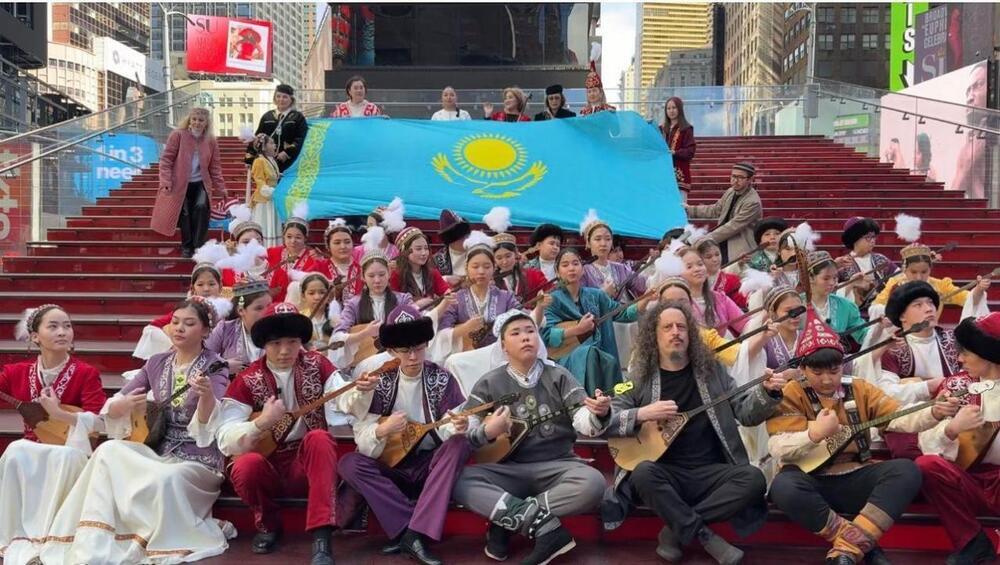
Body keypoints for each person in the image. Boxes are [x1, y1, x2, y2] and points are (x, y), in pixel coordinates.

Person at [40, 298, 232, 564]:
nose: (179, 328)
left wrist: (207, 396)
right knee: (108, 450)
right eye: (175, 322)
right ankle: (91, 536)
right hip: (158, 450)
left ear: (206, 331)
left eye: (189, 323)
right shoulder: (156, 362)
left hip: (199, 458)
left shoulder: (216, 366)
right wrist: (122, 405)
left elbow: (213, 421)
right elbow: (116, 403)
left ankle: (150, 537)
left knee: (167, 479)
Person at [766, 307, 959, 565]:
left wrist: (933, 412)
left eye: (833, 371)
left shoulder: (858, 388)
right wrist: (814, 434)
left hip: (856, 474)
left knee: (906, 471)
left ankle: (846, 550)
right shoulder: (790, 393)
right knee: (783, 486)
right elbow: (779, 448)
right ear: (802, 368)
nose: (826, 380)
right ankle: (862, 547)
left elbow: (899, 417)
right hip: (810, 478)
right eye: (817, 372)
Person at [602, 301, 785, 564]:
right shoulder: (635, 376)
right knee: (641, 472)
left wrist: (767, 392)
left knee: (753, 478)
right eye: (667, 327)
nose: (676, 332)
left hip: (711, 473)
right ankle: (705, 536)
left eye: (682, 327)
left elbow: (746, 413)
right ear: (654, 335)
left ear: (690, 334)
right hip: (665, 474)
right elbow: (611, 416)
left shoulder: (714, 372)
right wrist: (643, 413)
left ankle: (676, 531)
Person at [451, 312, 611, 565]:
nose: (525, 337)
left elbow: (582, 420)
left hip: (559, 466)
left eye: (530, 331)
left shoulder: (558, 375)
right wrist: (486, 431)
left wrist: (598, 412)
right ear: (503, 346)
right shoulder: (489, 382)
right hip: (508, 471)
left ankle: (507, 519)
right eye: (516, 334)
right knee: (457, 479)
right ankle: (538, 523)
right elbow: (469, 430)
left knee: (593, 483)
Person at [338, 304, 471, 565]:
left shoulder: (442, 378)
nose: (413, 356)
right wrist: (381, 430)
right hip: (391, 466)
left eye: (419, 348)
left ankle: (414, 532)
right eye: (404, 350)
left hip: (429, 467)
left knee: (459, 444)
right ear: (390, 351)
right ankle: (410, 528)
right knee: (348, 463)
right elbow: (361, 430)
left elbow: (451, 421)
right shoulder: (380, 380)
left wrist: (458, 425)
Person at [213, 302, 345, 565]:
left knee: (320, 438)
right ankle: (269, 525)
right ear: (264, 344)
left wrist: (360, 390)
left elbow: (344, 394)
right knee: (245, 463)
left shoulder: (318, 364)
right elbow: (225, 436)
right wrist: (260, 423)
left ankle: (322, 535)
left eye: (292, 342)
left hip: (305, 464)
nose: (285, 351)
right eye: (275, 344)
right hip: (267, 466)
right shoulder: (248, 379)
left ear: (301, 342)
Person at [0, 305, 105, 565]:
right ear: (35, 336)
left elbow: (99, 422)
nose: (62, 332)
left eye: (67, 326)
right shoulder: (17, 372)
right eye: (53, 326)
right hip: (32, 446)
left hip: (72, 448)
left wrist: (59, 414)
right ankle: (20, 536)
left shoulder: (85, 373)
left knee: (66, 457)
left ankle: (55, 536)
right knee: (16, 449)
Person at [915, 312, 1000, 565]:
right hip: (972, 479)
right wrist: (951, 429)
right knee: (927, 466)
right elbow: (925, 443)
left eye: (966, 353)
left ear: (988, 355)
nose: (959, 359)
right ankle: (972, 541)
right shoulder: (957, 386)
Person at [875, 281, 964, 459]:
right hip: (910, 418)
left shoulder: (953, 340)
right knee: (909, 451)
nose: (929, 309)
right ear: (902, 317)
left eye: (931, 302)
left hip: (954, 411)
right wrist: (928, 386)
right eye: (918, 305)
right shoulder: (893, 349)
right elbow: (887, 394)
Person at [543, 248, 645, 394]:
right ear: (558, 273)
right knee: (588, 353)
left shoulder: (596, 295)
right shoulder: (552, 299)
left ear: (583, 269)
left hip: (601, 354)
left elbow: (622, 313)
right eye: (565, 265)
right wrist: (577, 330)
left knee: (601, 357)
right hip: (567, 358)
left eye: (575, 263)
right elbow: (547, 334)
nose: (571, 268)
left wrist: (646, 299)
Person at [438, 232, 544, 353]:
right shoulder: (456, 298)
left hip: (499, 353)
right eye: (475, 266)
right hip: (467, 353)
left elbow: (526, 321)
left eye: (487, 266)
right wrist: (465, 328)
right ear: (467, 268)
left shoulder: (505, 297)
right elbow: (442, 335)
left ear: (494, 268)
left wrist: (540, 306)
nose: (481, 271)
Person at [153, 107, 227, 258]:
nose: (197, 123)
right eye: (194, 119)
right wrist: (165, 180)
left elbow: (215, 166)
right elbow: (166, 159)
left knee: (201, 208)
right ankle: (187, 246)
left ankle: (199, 247)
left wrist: (221, 187)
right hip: (180, 184)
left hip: (200, 182)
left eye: (200, 120)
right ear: (189, 120)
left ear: (206, 123)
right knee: (185, 214)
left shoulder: (211, 141)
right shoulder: (178, 135)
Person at [329, 247, 414, 370]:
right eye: (371, 276)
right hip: (366, 364)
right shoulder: (353, 304)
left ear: (389, 273)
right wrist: (365, 333)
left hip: (399, 359)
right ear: (363, 276)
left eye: (382, 274)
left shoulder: (403, 300)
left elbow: (417, 325)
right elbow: (337, 337)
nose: (377, 280)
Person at [873, 241, 990, 318]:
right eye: (913, 272)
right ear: (904, 269)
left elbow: (967, 298)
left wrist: (979, 290)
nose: (919, 277)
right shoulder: (896, 284)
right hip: (898, 337)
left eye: (924, 272)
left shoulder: (940, 285)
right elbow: (876, 307)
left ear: (930, 269)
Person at [683, 162, 762, 265]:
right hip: (721, 240)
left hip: (739, 245)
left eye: (740, 177)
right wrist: (690, 210)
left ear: (750, 180)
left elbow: (733, 226)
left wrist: (706, 239)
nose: (735, 181)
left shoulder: (753, 202)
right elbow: (715, 209)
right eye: (733, 176)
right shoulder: (730, 191)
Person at [206, 278, 273, 374]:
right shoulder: (225, 329)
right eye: (259, 308)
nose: (267, 312)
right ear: (241, 310)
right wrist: (224, 365)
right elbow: (200, 361)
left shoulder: (280, 331)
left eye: (269, 306)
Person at [677, 246, 747, 337]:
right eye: (689, 267)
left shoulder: (719, 298)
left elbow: (744, 323)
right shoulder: (678, 304)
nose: (697, 269)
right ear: (678, 274)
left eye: (700, 264)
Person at [266, 207, 332, 302]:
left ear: (305, 238)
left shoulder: (313, 257)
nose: (293, 241)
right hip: (274, 302)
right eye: (289, 237)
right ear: (283, 236)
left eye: (298, 237)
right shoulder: (272, 253)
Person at [580, 211, 647, 301]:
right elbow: (580, 302)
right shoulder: (583, 271)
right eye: (598, 239)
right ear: (588, 243)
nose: (603, 243)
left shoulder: (622, 268)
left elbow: (644, 284)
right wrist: (602, 294)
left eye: (607, 239)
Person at [834, 217, 898, 310]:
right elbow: (831, 294)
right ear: (854, 238)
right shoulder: (843, 264)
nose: (873, 240)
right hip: (852, 313)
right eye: (868, 237)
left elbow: (899, 277)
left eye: (874, 237)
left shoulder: (881, 259)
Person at [244, 84, 308, 173]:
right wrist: (249, 158)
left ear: (291, 99)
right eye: (278, 96)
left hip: (290, 161)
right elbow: (258, 137)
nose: (281, 100)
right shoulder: (267, 117)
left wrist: (287, 152)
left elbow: (301, 138)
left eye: (285, 97)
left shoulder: (297, 117)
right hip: (267, 161)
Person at [951, 61, 988, 199]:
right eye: (968, 91)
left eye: (978, 85)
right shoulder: (969, 148)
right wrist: (970, 161)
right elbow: (953, 195)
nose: (969, 97)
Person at [390, 226, 451, 308]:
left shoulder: (432, 272)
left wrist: (450, 295)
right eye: (418, 249)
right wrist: (416, 305)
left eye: (426, 248)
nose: (424, 253)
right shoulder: (396, 275)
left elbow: (445, 291)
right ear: (405, 251)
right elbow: (393, 305)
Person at [492, 230, 547, 304]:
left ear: (516, 254)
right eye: (499, 258)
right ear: (494, 259)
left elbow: (549, 293)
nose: (504, 261)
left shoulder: (535, 275)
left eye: (508, 256)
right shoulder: (491, 281)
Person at [659, 96, 696, 199]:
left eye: (674, 108)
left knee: (680, 207)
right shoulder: (661, 129)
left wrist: (675, 152)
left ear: (680, 109)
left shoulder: (686, 129)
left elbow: (690, 151)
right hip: (664, 174)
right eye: (668, 108)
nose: (671, 111)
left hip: (680, 175)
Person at [697, 238, 747, 310]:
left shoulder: (731, 280)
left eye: (717, 254)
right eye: (708, 257)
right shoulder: (694, 282)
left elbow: (741, 300)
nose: (715, 259)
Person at [249, 135, 282, 247]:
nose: (275, 145)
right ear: (264, 147)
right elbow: (260, 182)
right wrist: (274, 192)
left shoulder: (271, 160)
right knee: (265, 226)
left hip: (273, 199)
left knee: (273, 226)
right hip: (264, 201)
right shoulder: (259, 161)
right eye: (272, 143)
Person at [431, 209, 472, 283]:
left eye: (467, 235)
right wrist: (445, 279)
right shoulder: (437, 260)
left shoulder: (477, 252)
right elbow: (429, 281)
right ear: (451, 241)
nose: (467, 239)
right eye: (462, 237)